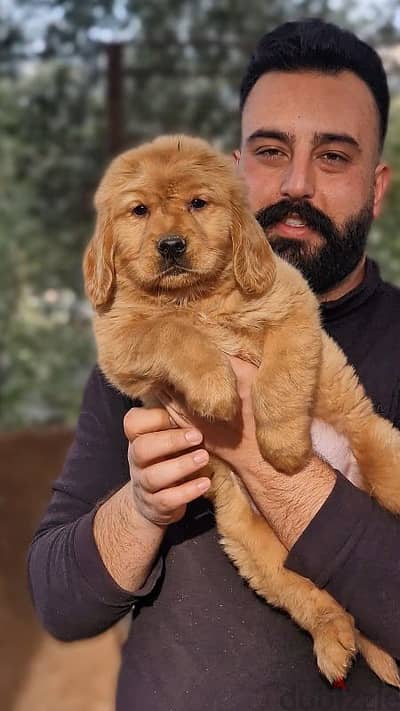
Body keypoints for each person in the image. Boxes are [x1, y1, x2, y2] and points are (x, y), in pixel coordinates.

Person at [28, 18, 400, 710]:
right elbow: (59, 599)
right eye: (270, 149)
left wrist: (261, 454)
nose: (297, 184)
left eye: (334, 157)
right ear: (232, 172)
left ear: (377, 188)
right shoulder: (146, 343)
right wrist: (140, 508)